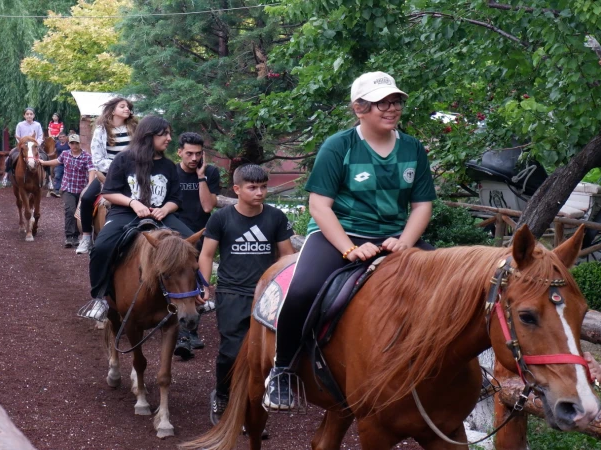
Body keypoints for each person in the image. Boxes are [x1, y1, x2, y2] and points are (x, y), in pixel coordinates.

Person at [263, 71, 437, 410]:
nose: (391, 109)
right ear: (359, 108)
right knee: (302, 289)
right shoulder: (338, 146)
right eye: (381, 103)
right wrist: (350, 248)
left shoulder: (413, 148)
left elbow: (422, 205)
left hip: (396, 237)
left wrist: (405, 240)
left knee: (448, 286)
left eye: (395, 101)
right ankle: (282, 370)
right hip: (339, 234)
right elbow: (319, 205)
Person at [199, 164, 295, 425]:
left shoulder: (275, 218)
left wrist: (284, 287)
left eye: (264, 187)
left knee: (266, 353)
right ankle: (222, 395)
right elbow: (207, 255)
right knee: (231, 351)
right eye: (253, 187)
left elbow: (287, 256)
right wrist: (204, 286)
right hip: (231, 292)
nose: (260, 192)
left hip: (267, 294)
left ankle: (255, 407)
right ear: (237, 189)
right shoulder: (221, 218)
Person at [81, 115, 193, 322]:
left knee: (193, 242)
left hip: (161, 217)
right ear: (149, 135)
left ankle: (197, 294)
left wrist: (165, 209)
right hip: (125, 214)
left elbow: (176, 198)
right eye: (164, 134)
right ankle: (99, 298)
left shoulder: (169, 166)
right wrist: (133, 203)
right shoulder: (124, 160)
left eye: (169, 133)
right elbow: (109, 192)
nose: (169, 138)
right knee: (101, 248)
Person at [173, 132, 221, 359]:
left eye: (198, 153)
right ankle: (181, 331)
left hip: (201, 233)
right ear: (179, 151)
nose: (194, 158)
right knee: (179, 280)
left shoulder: (210, 172)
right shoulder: (171, 173)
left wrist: (201, 177)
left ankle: (189, 331)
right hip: (175, 235)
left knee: (198, 281)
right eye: (189, 153)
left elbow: (207, 207)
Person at [76, 97, 138, 255]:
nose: (127, 109)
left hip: (134, 174)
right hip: (108, 175)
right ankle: (86, 237)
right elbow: (97, 159)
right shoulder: (101, 130)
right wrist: (118, 166)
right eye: (122, 106)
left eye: (128, 107)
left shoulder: (135, 129)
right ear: (112, 110)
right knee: (87, 198)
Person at [39, 134, 95, 246]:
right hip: (67, 188)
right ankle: (70, 237)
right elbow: (57, 161)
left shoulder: (86, 156)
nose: (74, 145)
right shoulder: (65, 154)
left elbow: (91, 170)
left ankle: (79, 236)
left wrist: (90, 185)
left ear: (80, 144)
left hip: (81, 188)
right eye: (72, 143)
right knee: (70, 211)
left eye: (76, 143)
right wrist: (44, 162)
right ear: (69, 144)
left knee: (80, 213)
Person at [3, 108, 44, 187]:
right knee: (10, 155)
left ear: (34, 115)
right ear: (24, 115)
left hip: (34, 146)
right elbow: (17, 136)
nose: (29, 116)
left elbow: (40, 136)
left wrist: (36, 144)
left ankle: (48, 178)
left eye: (31, 114)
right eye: (27, 114)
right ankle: (6, 175)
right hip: (22, 146)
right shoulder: (20, 125)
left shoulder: (37, 125)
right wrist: (22, 145)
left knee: (45, 156)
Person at [50, 132, 70, 197]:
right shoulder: (57, 144)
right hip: (59, 163)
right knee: (57, 175)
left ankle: (67, 191)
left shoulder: (68, 144)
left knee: (67, 177)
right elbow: (54, 152)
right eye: (60, 137)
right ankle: (56, 191)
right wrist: (47, 155)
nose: (62, 138)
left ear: (66, 137)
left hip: (68, 163)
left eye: (63, 137)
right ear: (59, 138)